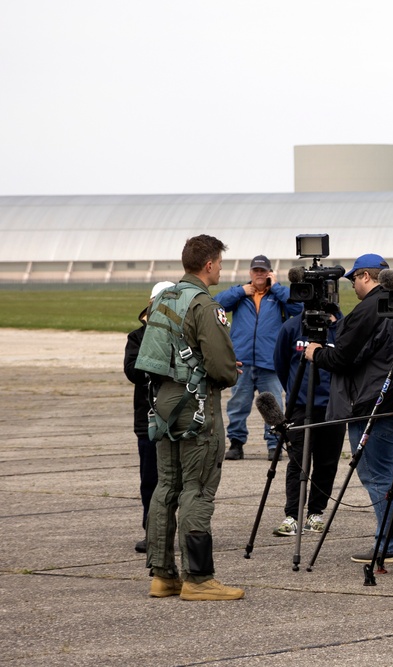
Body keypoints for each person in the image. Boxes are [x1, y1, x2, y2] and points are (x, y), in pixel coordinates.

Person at [137, 234, 243, 601]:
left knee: (166, 486)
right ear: (210, 264)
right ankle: (198, 578)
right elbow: (221, 366)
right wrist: (231, 371)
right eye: (219, 263)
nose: (220, 269)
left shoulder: (165, 298)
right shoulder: (203, 304)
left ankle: (163, 575)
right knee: (197, 489)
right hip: (197, 405)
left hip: (164, 401)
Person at [305, 253, 393, 563]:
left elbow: (342, 358)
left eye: (354, 279)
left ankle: (389, 543)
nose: (353, 285)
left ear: (366, 277)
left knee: (375, 475)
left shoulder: (368, 308)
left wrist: (315, 353)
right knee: (392, 471)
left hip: (369, 402)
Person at [216, 255, 302, 461]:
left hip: (269, 361)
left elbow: (298, 308)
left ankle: (274, 444)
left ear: (270, 273)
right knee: (238, 404)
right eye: (256, 271)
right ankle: (236, 443)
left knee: (273, 406)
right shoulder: (240, 295)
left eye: (263, 271)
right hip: (242, 361)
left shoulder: (279, 296)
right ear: (250, 273)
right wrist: (240, 291)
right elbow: (216, 304)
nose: (259, 274)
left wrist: (277, 288)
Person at [271, 309, 346, 537]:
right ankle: (292, 515)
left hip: (333, 406)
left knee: (327, 462)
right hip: (301, 406)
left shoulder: (342, 328)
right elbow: (281, 363)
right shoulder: (292, 327)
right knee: (297, 461)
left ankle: (316, 513)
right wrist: (294, 394)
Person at [123, 280, 174, 553]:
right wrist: (158, 365)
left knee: (182, 480)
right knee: (151, 480)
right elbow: (132, 372)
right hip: (149, 420)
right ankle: (153, 532)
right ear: (152, 303)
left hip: (180, 417)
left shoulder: (183, 335)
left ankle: (182, 529)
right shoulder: (137, 337)